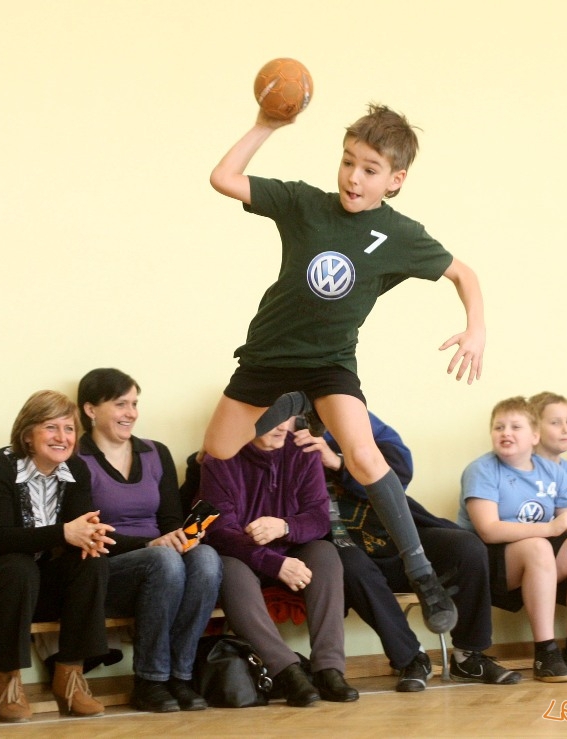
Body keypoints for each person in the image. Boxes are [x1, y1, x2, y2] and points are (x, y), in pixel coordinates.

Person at [200, 101, 488, 635]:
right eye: (348, 161)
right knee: (216, 452)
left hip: (329, 364)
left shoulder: (400, 234)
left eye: (370, 169)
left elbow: (464, 274)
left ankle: (422, 573)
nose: (353, 177)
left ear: (395, 180)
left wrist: (476, 328)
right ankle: (291, 407)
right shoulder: (304, 203)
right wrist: (266, 125)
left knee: (362, 453)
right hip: (266, 359)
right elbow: (224, 178)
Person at [293, 410, 519, 691]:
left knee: (467, 547)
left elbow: (400, 470)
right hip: (345, 549)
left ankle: (469, 656)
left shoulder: (350, 414)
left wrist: (338, 461)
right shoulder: (279, 429)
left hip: (403, 540)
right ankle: (411, 658)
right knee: (350, 566)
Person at [0, 390, 113, 722]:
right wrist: (64, 532)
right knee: (18, 567)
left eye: (69, 428)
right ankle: (8, 681)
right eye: (51, 427)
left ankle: (70, 676)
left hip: (33, 584)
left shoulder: (76, 469)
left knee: (90, 561)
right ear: (27, 434)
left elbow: (80, 532)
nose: (62, 437)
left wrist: (94, 537)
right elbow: (0, 538)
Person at [77, 368, 221, 713]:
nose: (131, 413)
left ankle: (180, 676)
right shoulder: (76, 459)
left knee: (206, 558)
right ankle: (150, 680)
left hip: (162, 562)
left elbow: (169, 519)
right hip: (109, 567)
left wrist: (182, 537)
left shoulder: (156, 453)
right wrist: (149, 546)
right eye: (120, 404)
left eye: (134, 403)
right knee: (164, 560)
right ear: (91, 409)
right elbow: (88, 534)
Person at [458, 396, 567, 682]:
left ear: (534, 436)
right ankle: (545, 652)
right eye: (499, 427)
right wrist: (550, 528)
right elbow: (488, 530)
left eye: (515, 427)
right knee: (539, 546)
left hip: (536, 561)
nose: (506, 433)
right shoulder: (482, 469)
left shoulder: (553, 472)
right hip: (486, 565)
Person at [197, 419, 359, 706]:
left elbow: (319, 518)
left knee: (325, 553)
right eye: (274, 416)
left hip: (293, 551)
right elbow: (220, 532)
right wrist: (275, 564)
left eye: (288, 416)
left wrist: (284, 527)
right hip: (243, 558)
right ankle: (286, 672)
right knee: (229, 570)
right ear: (249, 415)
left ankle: (329, 669)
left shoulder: (303, 451)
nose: (283, 425)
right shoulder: (219, 457)